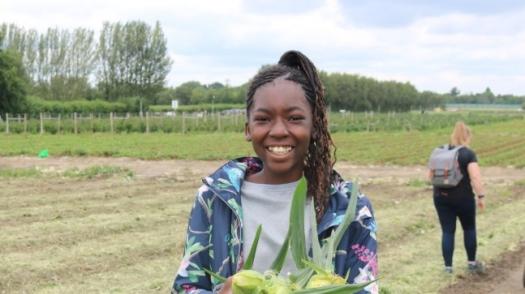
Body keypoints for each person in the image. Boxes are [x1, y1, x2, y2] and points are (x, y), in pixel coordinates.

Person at [171, 50, 377, 293]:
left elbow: (365, 288)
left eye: (294, 118)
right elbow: (186, 286)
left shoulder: (349, 207)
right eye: (264, 119)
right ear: (248, 129)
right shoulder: (215, 199)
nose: (279, 130)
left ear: (314, 127)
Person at [429, 121, 486, 274]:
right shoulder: (468, 153)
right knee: (469, 228)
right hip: (463, 198)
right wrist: (481, 196)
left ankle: (448, 267)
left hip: (440, 197)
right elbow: (476, 178)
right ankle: (472, 264)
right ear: (467, 136)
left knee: (447, 231)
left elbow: (430, 176)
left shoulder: (439, 151)